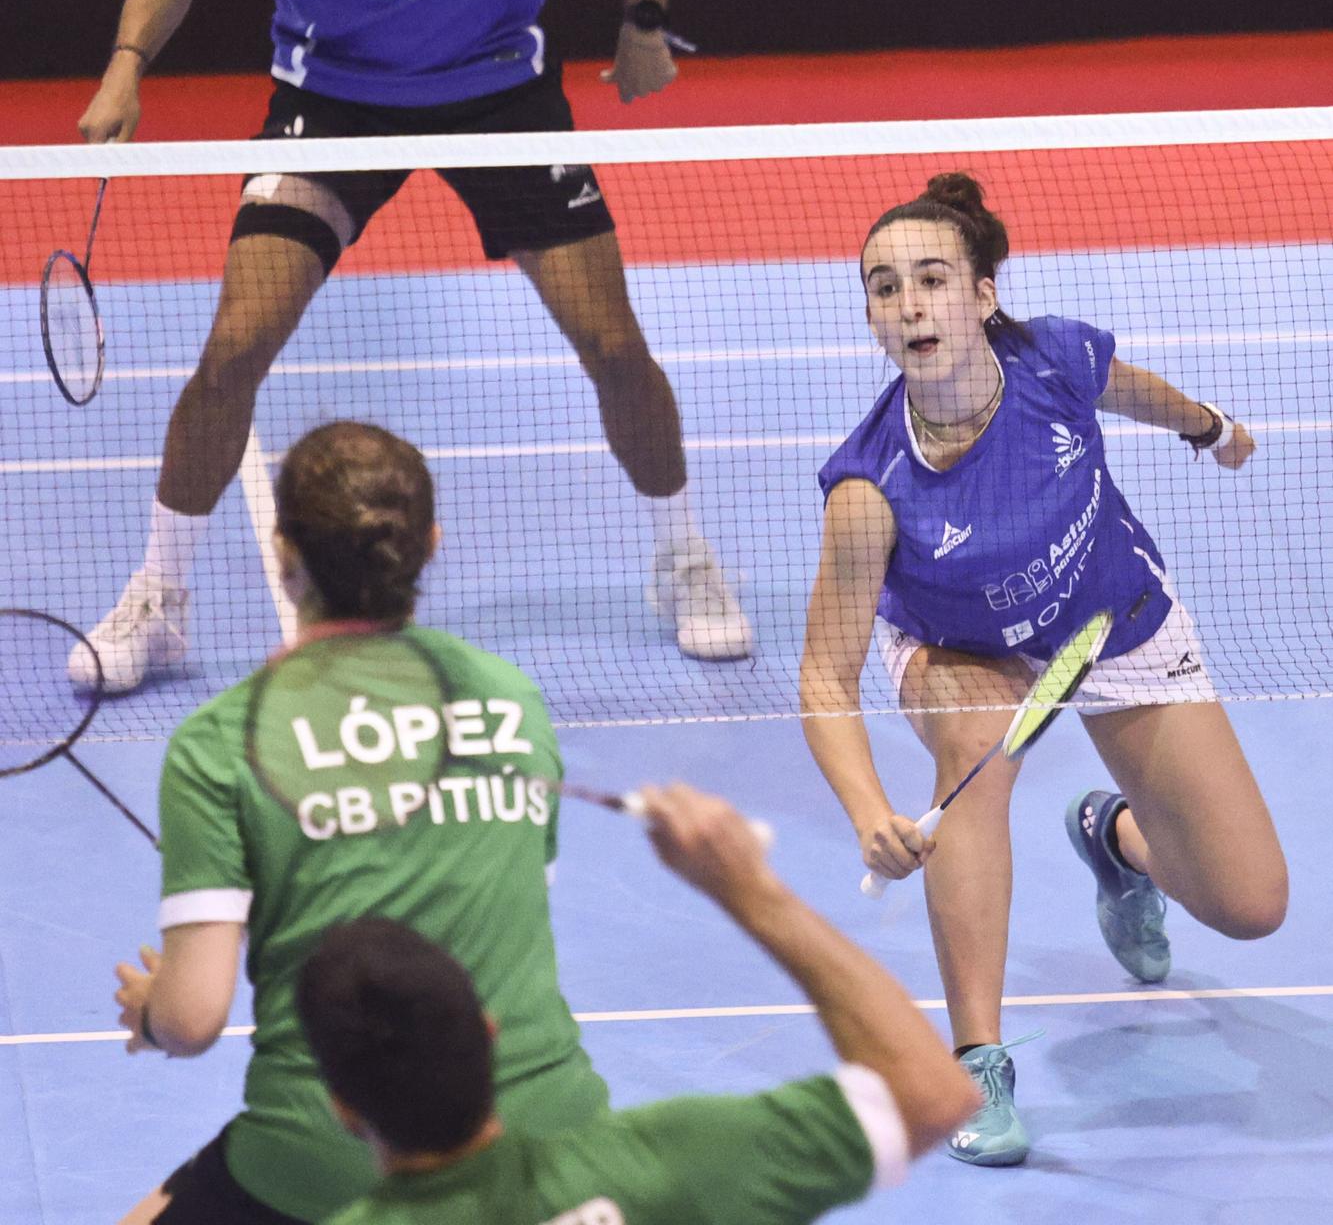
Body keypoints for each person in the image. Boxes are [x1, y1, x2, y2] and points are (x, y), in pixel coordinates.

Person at [72, 0, 750, 689]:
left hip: (500, 96)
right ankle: (159, 595)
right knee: (236, 345)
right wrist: (125, 63)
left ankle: (683, 557)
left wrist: (641, 15)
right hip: (331, 102)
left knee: (614, 345)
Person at [799, 172, 1287, 1167]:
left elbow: (1133, 388)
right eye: (883, 287)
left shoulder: (1051, 356)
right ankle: (974, 1058)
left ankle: (1115, 836)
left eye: (932, 278)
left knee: (1248, 905)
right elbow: (822, 677)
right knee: (970, 744)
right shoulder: (870, 490)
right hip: (963, 643)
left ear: (982, 295)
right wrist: (866, 817)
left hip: (1110, 615)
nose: (908, 303)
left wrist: (1208, 426)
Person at [111, 419, 611, 1225]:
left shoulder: (221, 742)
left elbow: (192, 1018)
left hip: (327, 1154)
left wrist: (152, 1010)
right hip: (548, 1137)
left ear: (282, 554)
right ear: (431, 543)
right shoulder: (513, 701)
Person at [294, 785, 982, 1225]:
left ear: (343, 1108)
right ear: (490, 1036)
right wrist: (751, 893)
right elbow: (931, 1094)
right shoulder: (665, 1165)